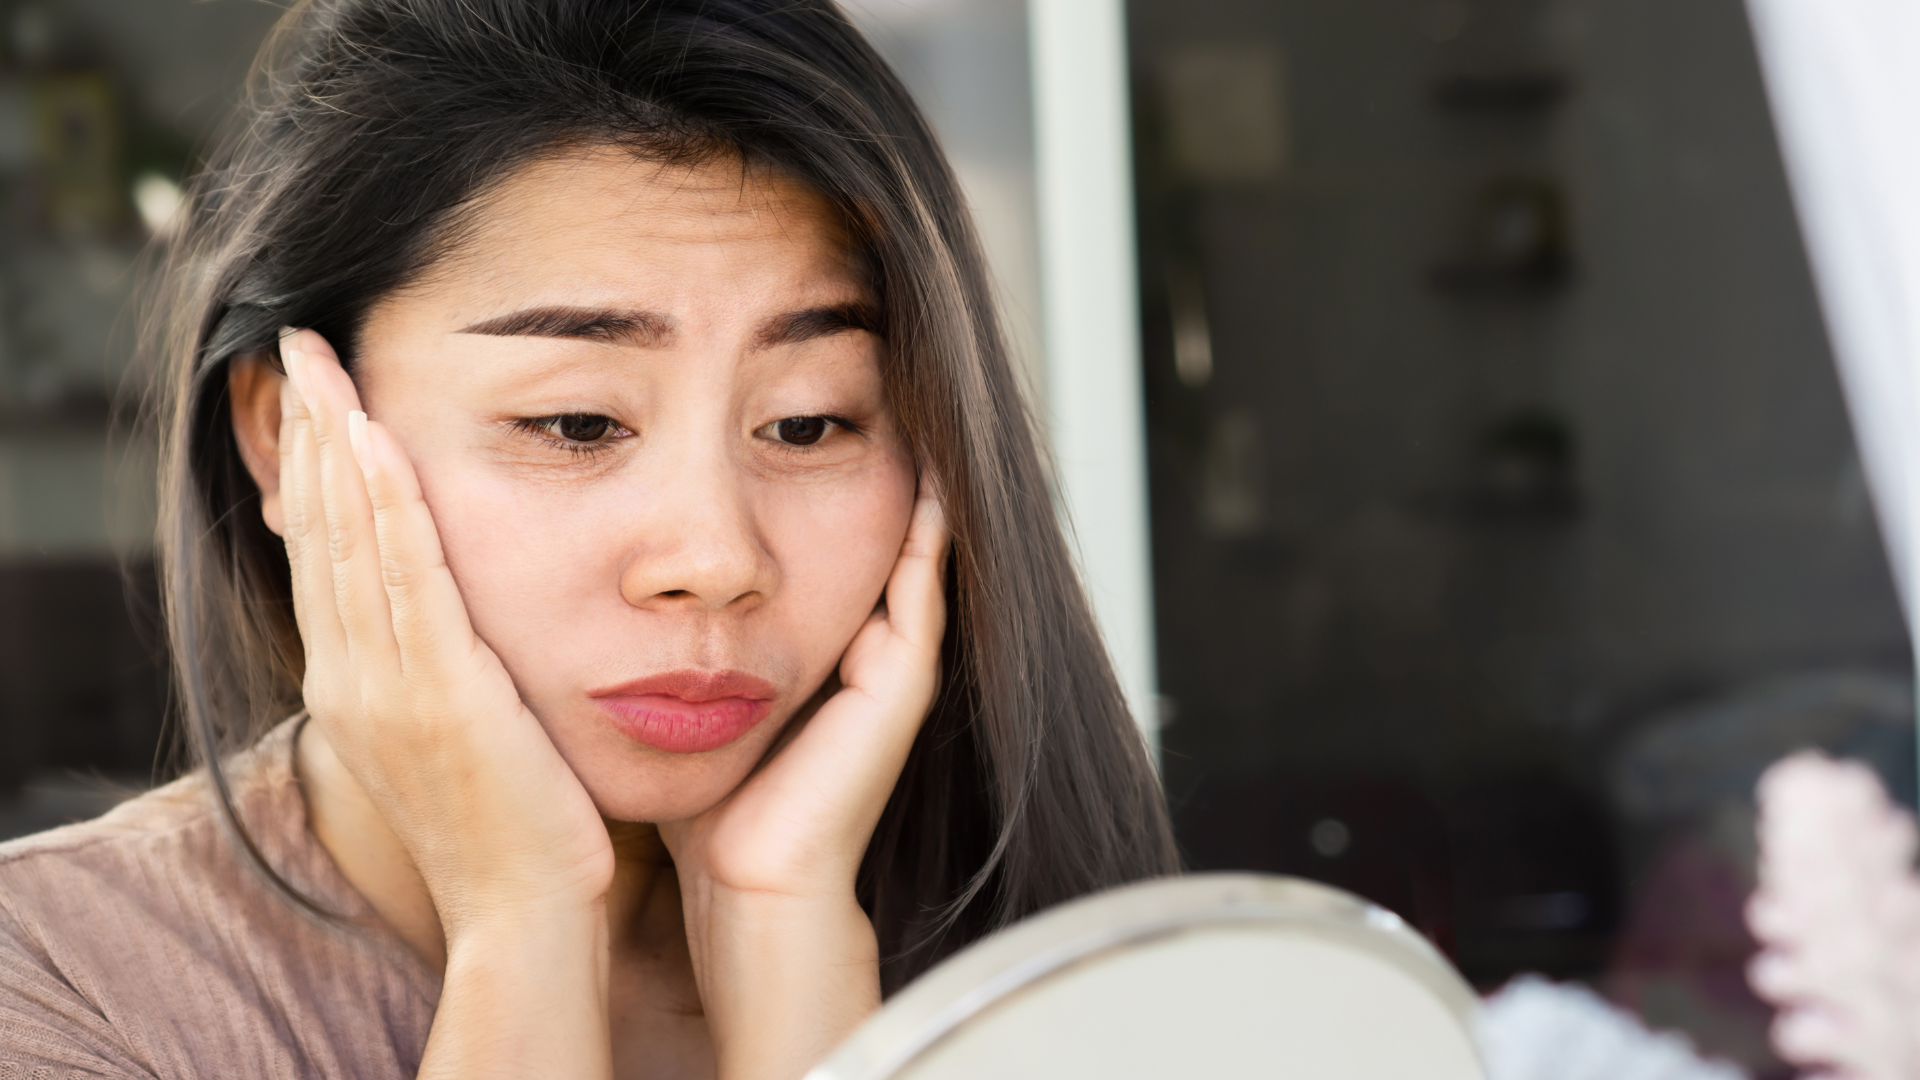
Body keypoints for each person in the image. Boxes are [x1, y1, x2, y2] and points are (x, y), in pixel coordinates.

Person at [0, 1, 1179, 1077]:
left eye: (810, 421)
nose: (715, 560)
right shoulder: (58, 988)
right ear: (285, 431)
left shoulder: (1089, 976)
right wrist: (522, 922)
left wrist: (786, 943)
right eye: (575, 423)